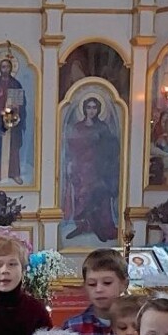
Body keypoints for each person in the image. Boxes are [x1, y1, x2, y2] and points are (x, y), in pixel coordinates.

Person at [63, 97, 120, 242]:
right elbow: (71, 147)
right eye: (89, 107)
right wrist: (71, 164)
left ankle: (101, 227)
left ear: (99, 109)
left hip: (98, 169)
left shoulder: (103, 127)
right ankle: (83, 226)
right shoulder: (78, 127)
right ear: (84, 109)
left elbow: (111, 146)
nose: (91, 111)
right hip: (81, 168)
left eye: (94, 107)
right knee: (81, 197)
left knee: (100, 197)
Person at [0, 55, 25, 184]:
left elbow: (20, 103)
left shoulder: (15, 84)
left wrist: (14, 110)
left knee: (13, 149)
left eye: (7, 67)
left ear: (11, 68)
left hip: (12, 122)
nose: (5, 69)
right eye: (3, 67)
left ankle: (15, 174)